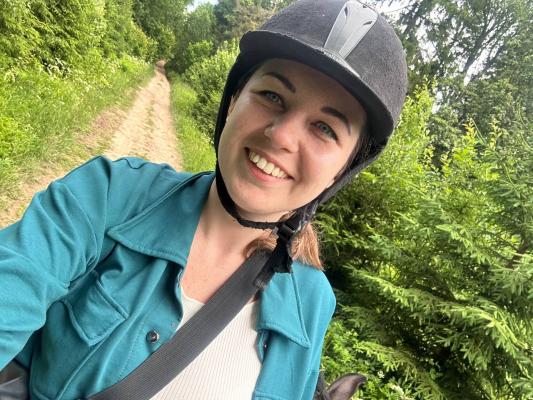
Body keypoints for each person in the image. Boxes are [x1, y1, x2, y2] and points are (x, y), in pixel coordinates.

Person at [0, 0, 407, 399]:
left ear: (343, 169)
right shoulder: (108, 194)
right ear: (233, 100)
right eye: (272, 96)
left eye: (324, 128)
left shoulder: (312, 303)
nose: (282, 136)